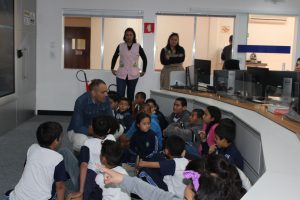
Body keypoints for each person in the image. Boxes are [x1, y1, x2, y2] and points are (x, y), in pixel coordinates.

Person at [8, 122, 67, 200]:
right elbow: (60, 187)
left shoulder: (32, 148)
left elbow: (26, 168)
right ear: (56, 140)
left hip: (17, 197)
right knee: (61, 187)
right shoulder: (58, 158)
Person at [68, 116, 116, 200]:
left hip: (90, 177)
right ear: (108, 130)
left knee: (65, 152)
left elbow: (83, 165)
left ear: (92, 129)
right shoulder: (112, 139)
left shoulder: (87, 143)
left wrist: (80, 191)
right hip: (107, 177)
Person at [68, 79, 112, 152]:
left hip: (99, 130)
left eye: (106, 92)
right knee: (80, 143)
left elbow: (110, 119)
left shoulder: (106, 99)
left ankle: (97, 147)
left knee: (119, 129)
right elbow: (77, 127)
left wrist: (103, 131)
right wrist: (95, 133)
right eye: (103, 92)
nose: (106, 95)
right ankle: (81, 156)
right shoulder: (81, 101)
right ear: (93, 93)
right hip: (81, 131)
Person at [111, 27, 147, 102]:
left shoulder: (138, 46)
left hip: (133, 75)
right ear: (125, 36)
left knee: (130, 95)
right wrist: (112, 68)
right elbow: (114, 57)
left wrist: (144, 71)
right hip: (121, 74)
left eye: (131, 35)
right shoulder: (120, 46)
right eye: (127, 35)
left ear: (133, 36)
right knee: (120, 94)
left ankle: (129, 112)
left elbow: (145, 58)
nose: (129, 36)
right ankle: (120, 111)